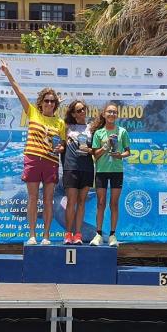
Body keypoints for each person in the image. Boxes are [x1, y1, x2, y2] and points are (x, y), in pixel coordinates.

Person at [0, 60, 66, 245]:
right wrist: (7, 73)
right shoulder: (33, 113)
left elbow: (62, 145)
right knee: (32, 198)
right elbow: (18, 91)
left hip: (51, 162)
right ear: (41, 102)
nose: (49, 103)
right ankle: (32, 235)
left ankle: (46, 236)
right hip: (33, 160)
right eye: (46, 100)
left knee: (48, 200)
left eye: (52, 101)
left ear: (55, 104)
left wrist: (60, 148)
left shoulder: (60, 123)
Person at [89, 103, 130, 247]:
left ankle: (112, 235)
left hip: (117, 171)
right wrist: (106, 146)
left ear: (117, 115)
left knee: (114, 203)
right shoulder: (99, 133)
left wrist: (120, 155)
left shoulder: (122, 131)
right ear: (104, 114)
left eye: (114, 112)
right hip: (101, 171)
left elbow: (128, 152)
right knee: (101, 203)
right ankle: (98, 234)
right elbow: (95, 154)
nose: (112, 114)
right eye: (109, 112)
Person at [61, 100, 94, 245]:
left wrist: (89, 150)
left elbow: (95, 150)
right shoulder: (66, 127)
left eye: (84, 109)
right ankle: (68, 234)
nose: (82, 112)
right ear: (73, 114)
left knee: (81, 203)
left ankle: (78, 235)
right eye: (79, 110)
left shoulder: (91, 128)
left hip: (87, 168)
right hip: (71, 168)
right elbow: (60, 145)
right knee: (71, 202)